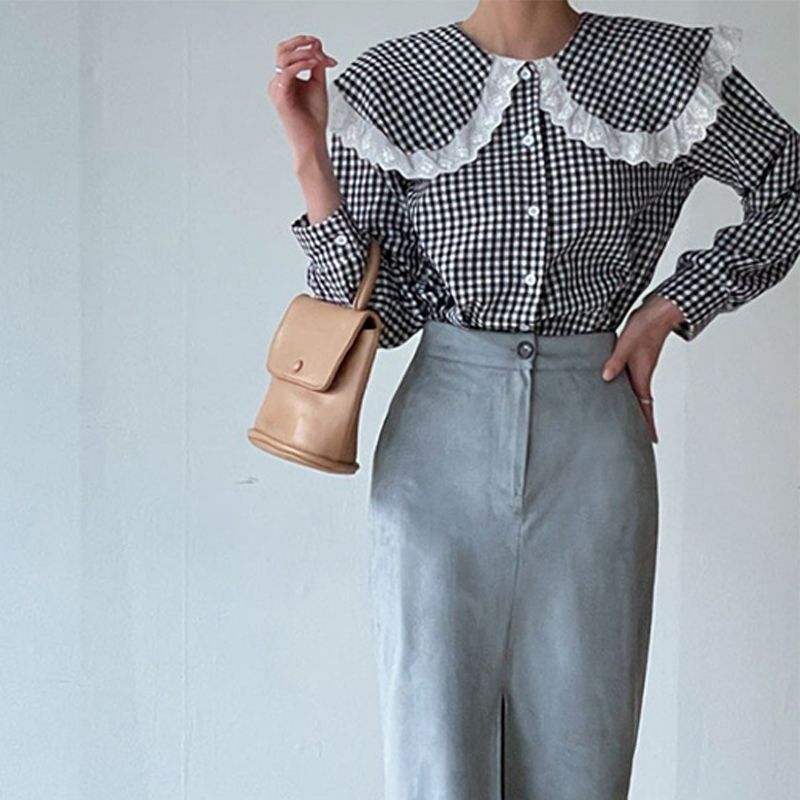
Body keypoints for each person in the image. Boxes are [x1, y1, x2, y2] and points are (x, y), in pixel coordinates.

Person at [269, 2, 800, 798]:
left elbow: (790, 182)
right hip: (438, 452)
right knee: (434, 756)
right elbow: (380, 311)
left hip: (592, 441)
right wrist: (311, 155)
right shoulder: (392, 81)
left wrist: (671, 307)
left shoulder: (660, 68)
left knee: (584, 750)